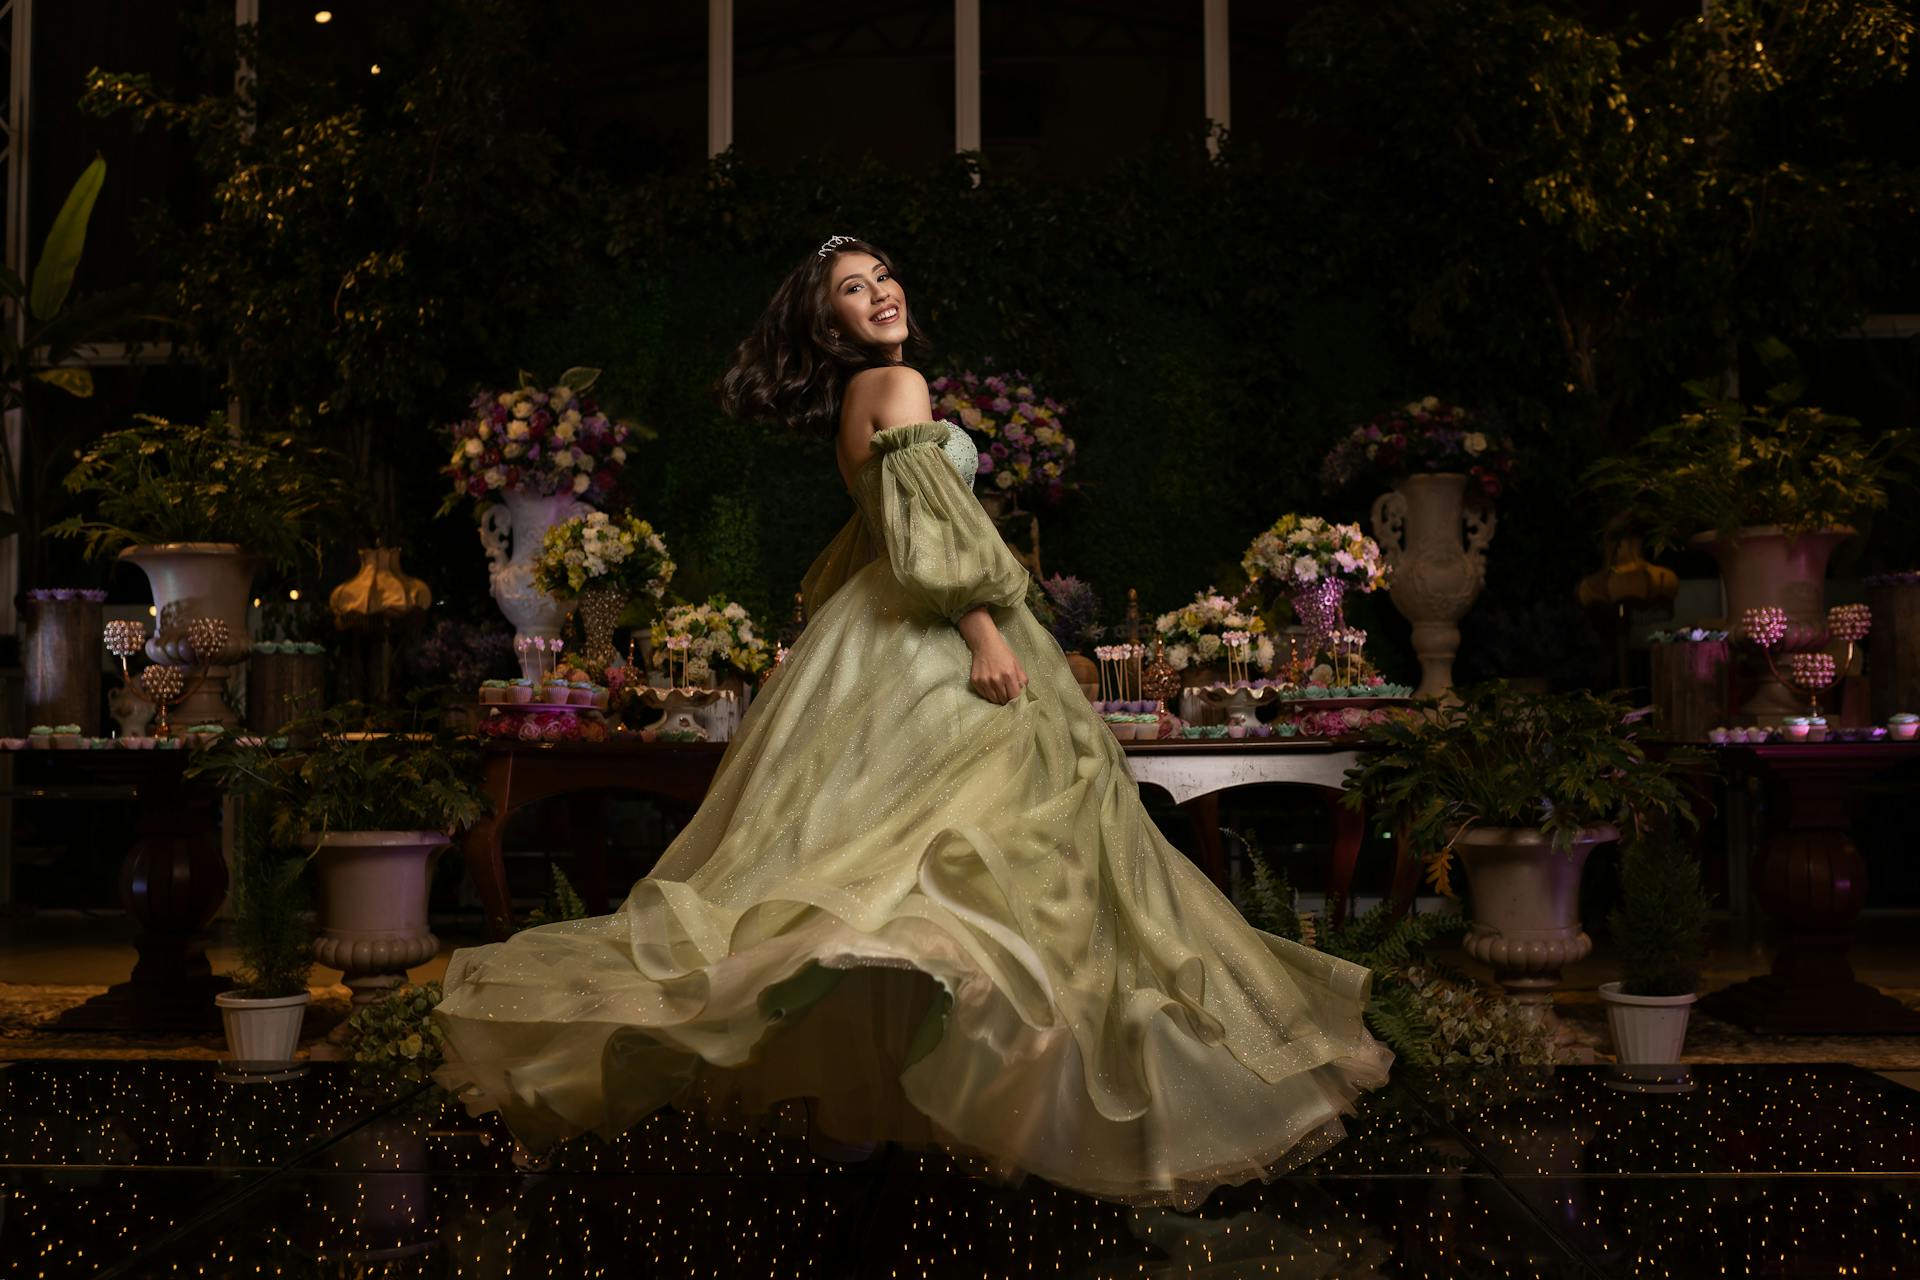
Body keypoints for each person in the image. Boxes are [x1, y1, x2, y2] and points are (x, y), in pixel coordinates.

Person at [432, 235, 1392, 1208]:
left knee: (896, 869)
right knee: (989, 863)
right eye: (854, 289)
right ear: (830, 323)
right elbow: (923, 528)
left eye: (882, 275)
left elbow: (885, 530)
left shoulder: (864, 396)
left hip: (886, 638)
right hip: (933, 640)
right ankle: (1020, 1107)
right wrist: (984, 629)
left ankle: (876, 1107)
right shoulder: (896, 386)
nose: (880, 292)